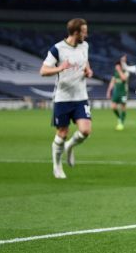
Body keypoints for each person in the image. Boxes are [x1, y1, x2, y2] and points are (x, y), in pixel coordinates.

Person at [39, 18, 94, 179]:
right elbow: (43, 71)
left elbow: (85, 62)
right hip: (62, 98)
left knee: (85, 130)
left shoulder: (85, 46)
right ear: (76, 32)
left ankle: (70, 146)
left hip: (81, 97)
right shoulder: (57, 49)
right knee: (62, 133)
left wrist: (88, 71)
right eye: (84, 31)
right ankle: (57, 166)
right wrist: (59, 68)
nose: (86, 34)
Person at [105, 60, 129, 131]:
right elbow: (112, 82)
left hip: (123, 93)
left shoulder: (125, 72)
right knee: (113, 107)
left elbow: (124, 78)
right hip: (116, 93)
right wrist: (108, 91)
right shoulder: (115, 73)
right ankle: (119, 118)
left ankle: (121, 123)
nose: (116, 67)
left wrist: (119, 71)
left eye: (118, 66)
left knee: (123, 107)